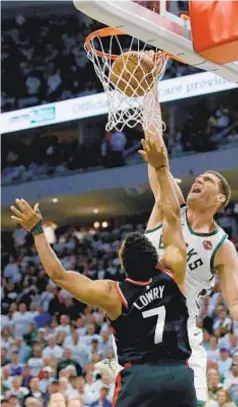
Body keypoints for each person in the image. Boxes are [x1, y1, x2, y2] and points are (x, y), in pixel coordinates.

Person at [97, 92, 238, 407]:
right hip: (137, 331)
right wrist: (150, 88)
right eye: (199, 178)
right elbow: (157, 151)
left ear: (220, 199)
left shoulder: (222, 247)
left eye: (208, 181)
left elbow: (237, 307)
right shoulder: (168, 208)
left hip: (180, 339)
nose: (199, 181)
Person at [10, 138, 197, 407]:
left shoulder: (113, 293)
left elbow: (58, 275)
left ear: (122, 262)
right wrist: (161, 168)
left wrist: (38, 231)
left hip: (140, 377)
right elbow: (171, 215)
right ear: (156, 258)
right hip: (179, 374)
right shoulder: (173, 272)